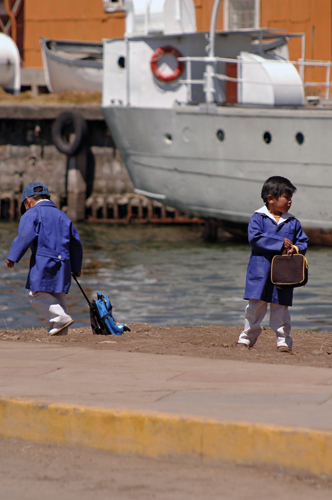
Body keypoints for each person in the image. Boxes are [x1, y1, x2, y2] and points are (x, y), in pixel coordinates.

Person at [237, 176, 308, 353]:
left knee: (281, 308)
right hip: (260, 271)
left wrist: (296, 248)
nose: (290, 202)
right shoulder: (257, 218)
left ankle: (283, 341)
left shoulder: (293, 221)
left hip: (283, 273)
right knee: (255, 307)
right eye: (286, 198)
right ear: (271, 198)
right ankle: (246, 339)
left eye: (291, 198)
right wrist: (279, 243)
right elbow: (255, 239)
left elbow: (303, 241)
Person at [6, 182, 83, 336]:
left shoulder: (32, 214)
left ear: (28, 201)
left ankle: (59, 319)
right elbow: (76, 243)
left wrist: (13, 257)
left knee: (33, 293)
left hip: (44, 260)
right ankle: (60, 331)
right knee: (58, 295)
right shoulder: (63, 215)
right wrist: (76, 267)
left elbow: (25, 236)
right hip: (64, 263)